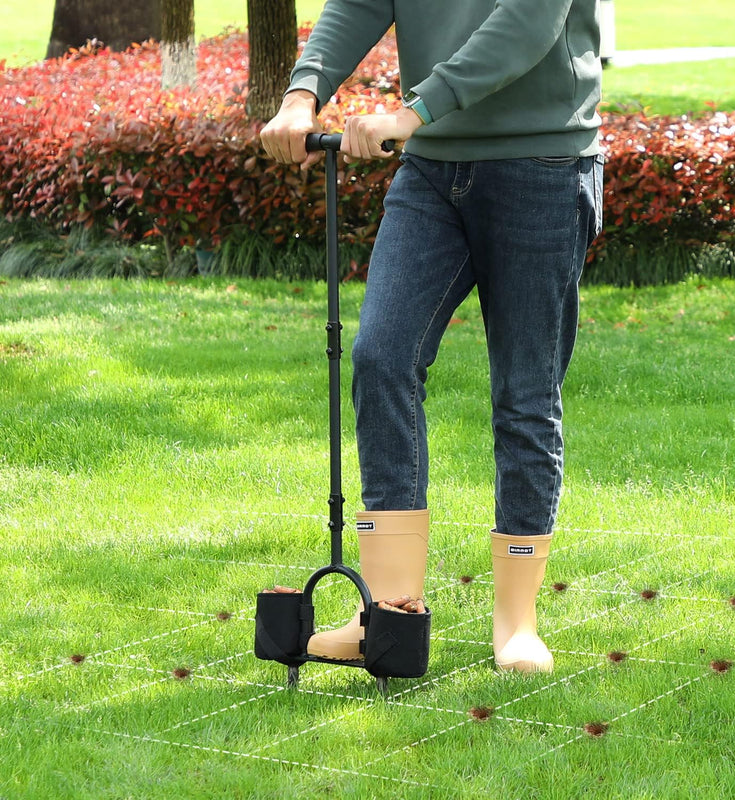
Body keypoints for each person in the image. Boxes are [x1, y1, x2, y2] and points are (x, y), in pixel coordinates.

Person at [260, 0, 604, 673]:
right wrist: (304, 93)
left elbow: (528, 23)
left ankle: (517, 624)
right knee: (381, 355)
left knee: (525, 394)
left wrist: (412, 112)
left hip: (542, 162)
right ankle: (389, 617)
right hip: (431, 171)